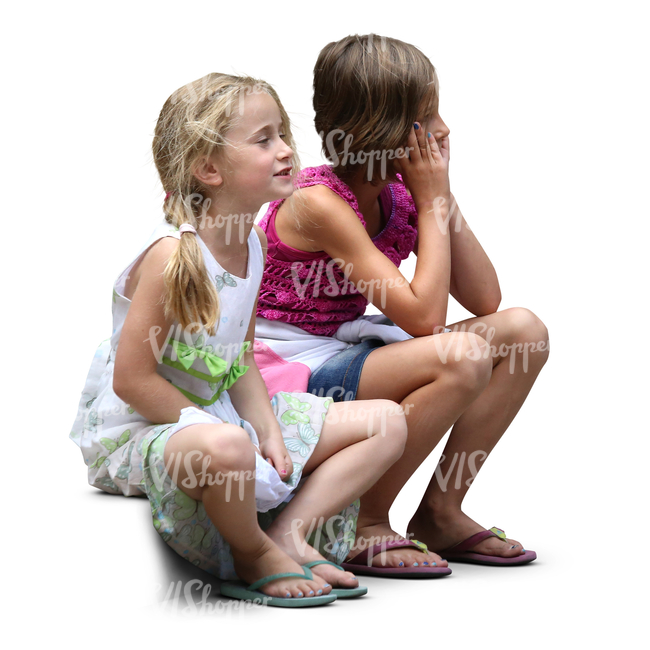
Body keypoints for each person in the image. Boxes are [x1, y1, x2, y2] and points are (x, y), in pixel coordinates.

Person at [69, 72, 410, 607]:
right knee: (228, 447)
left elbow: (240, 358)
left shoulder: (252, 245)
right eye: (264, 139)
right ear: (208, 169)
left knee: (387, 420)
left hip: (217, 415)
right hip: (143, 430)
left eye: (283, 135)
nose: (286, 151)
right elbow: (133, 381)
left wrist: (269, 431)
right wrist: (222, 431)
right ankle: (252, 553)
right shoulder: (171, 257)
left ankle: (290, 534)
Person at [255, 34, 549, 574]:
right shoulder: (316, 202)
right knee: (461, 356)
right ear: (380, 129)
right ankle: (363, 521)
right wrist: (432, 199)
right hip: (290, 370)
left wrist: (438, 196)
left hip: (342, 349)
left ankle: (440, 511)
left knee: (524, 332)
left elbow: (485, 297)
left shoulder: (396, 194)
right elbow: (423, 319)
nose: (443, 129)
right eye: (426, 116)